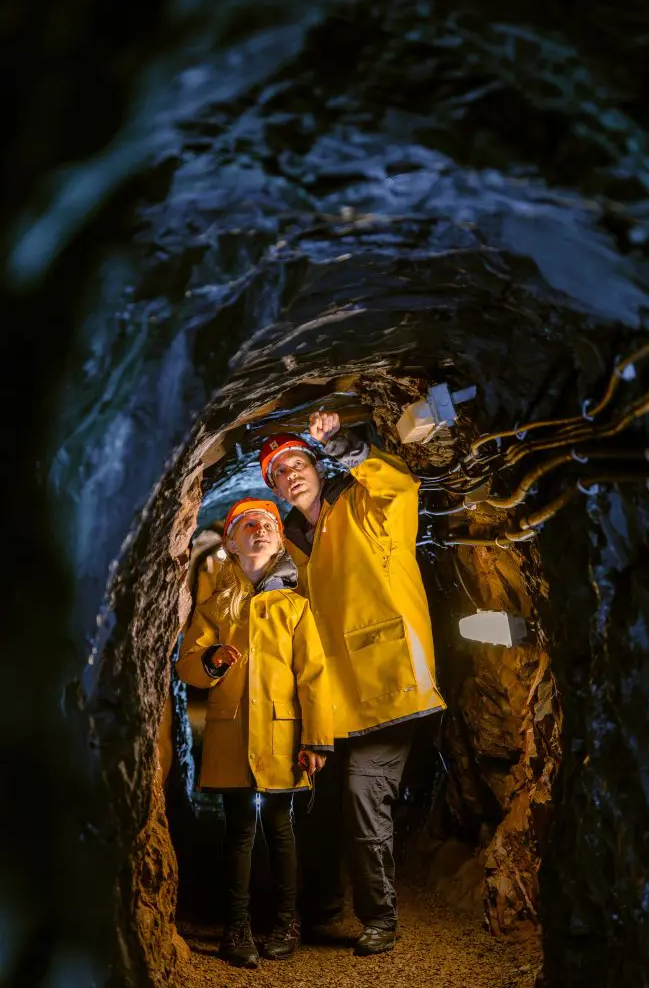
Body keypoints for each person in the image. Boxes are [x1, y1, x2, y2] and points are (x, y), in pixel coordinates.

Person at [259, 414, 446, 956]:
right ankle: (318, 908)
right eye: (278, 472)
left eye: (297, 463)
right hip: (334, 703)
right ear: (272, 488)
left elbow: (400, 485)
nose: (291, 474)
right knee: (314, 805)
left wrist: (344, 444)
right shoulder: (295, 547)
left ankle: (379, 918)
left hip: (391, 688)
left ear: (317, 467)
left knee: (365, 798)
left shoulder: (364, 508)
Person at [176, 497, 333, 969]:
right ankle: (236, 927)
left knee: (281, 828)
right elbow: (187, 665)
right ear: (231, 542)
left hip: (282, 735)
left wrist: (316, 739)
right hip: (232, 733)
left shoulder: (295, 607)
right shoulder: (214, 607)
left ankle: (287, 922)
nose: (259, 530)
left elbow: (313, 674)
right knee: (239, 830)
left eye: (267, 523)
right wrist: (212, 660)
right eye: (247, 525)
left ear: (279, 539)